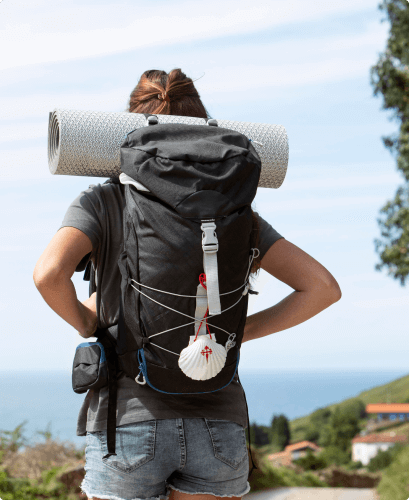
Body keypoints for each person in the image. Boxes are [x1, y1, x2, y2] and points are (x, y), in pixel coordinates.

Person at [33, 68, 342, 500]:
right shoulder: (236, 216)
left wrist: (88, 323)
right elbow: (322, 288)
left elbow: (48, 275)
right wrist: (239, 332)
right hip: (219, 420)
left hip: (128, 420)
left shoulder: (104, 201)